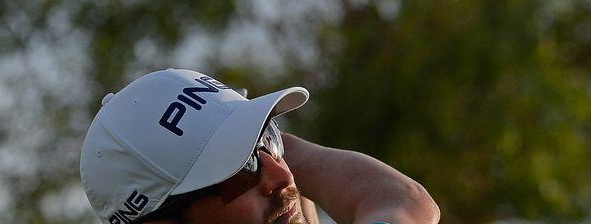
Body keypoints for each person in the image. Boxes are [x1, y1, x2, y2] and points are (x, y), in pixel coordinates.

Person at [80, 68, 440, 224]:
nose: (283, 176)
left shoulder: (278, 174)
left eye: (271, 139)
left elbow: (405, 201)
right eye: (240, 169)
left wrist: (262, 149)